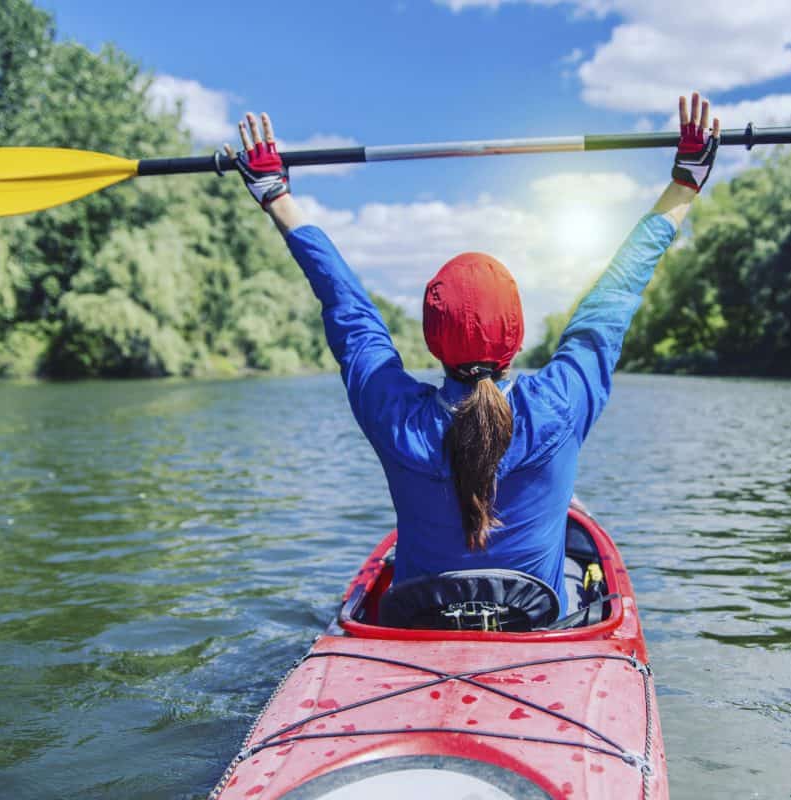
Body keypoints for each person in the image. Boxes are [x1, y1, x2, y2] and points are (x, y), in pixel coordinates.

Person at [225, 94, 719, 618]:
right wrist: (686, 180)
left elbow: (345, 304)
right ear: (517, 335)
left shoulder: (393, 415)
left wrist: (274, 193)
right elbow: (617, 292)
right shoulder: (562, 402)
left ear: (433, 341)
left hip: (416, 625)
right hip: (537, 626)